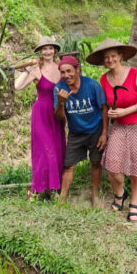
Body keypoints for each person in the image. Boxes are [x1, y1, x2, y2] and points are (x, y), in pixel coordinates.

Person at [86, 38, 137, 222]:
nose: (110, 60)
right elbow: (107, 106)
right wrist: (106, 127)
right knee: (112, 166)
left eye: (113, 56)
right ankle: (120, 193)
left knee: (136, 167)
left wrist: (127, 110)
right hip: (119, 126)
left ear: (121, 56)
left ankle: (134, 203)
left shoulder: (135, 74)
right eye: (106, 57)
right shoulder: (104, 79)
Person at [54, 55, 108, 207]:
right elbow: (59, 117)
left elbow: (104, 108)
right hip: (76, 132)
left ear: (77, 69)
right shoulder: (59, 89)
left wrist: (104, 133)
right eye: (62, 72)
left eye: (69, 71)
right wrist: (61, 102)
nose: (66, 75)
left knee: (96, 162)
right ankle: (62, 198)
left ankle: (95, 194)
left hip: (95, 130)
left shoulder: (92, 85)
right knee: (69, 165)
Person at [15, 36, 65, 199]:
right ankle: (36, 188)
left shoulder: (61, 67)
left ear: (55, 50)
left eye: (50, 48)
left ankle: (54, 188)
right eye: (44, 49)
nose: (48, 51)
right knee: (44, 151)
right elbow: (17, 86)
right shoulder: (36, 69)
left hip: (58, 113)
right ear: (40, 51)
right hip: (41, 114)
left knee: (57, 150)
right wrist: (27, 70)